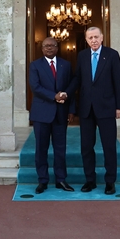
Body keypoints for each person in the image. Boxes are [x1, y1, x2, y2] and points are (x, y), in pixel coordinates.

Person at [67, 26, 120, 195]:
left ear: (102, 38)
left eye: (96, 37)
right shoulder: (82, 56)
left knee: (108, 147)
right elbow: (78, 79)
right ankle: (89, 180)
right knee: (86, 147)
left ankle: (110, 181)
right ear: (86, 40)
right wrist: (66, 93)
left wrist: (119, 107)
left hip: (107, 108)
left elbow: (118, 82)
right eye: (90, 38)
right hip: (86, 109)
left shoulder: (112, 55)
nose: (93, 40)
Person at [28, 36, 75, 194]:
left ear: (57, 48)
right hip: (41, 114)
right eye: (46, 46)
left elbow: (71, 88)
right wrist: (54, 96)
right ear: (42, 49)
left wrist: (71, 110)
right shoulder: (35, 65)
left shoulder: (66, 65)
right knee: (41, 149)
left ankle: (61, 179)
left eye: (52, 45)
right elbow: (35, 87)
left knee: (60, 149)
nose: (49, 48)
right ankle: (42, 180)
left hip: (61, 114)